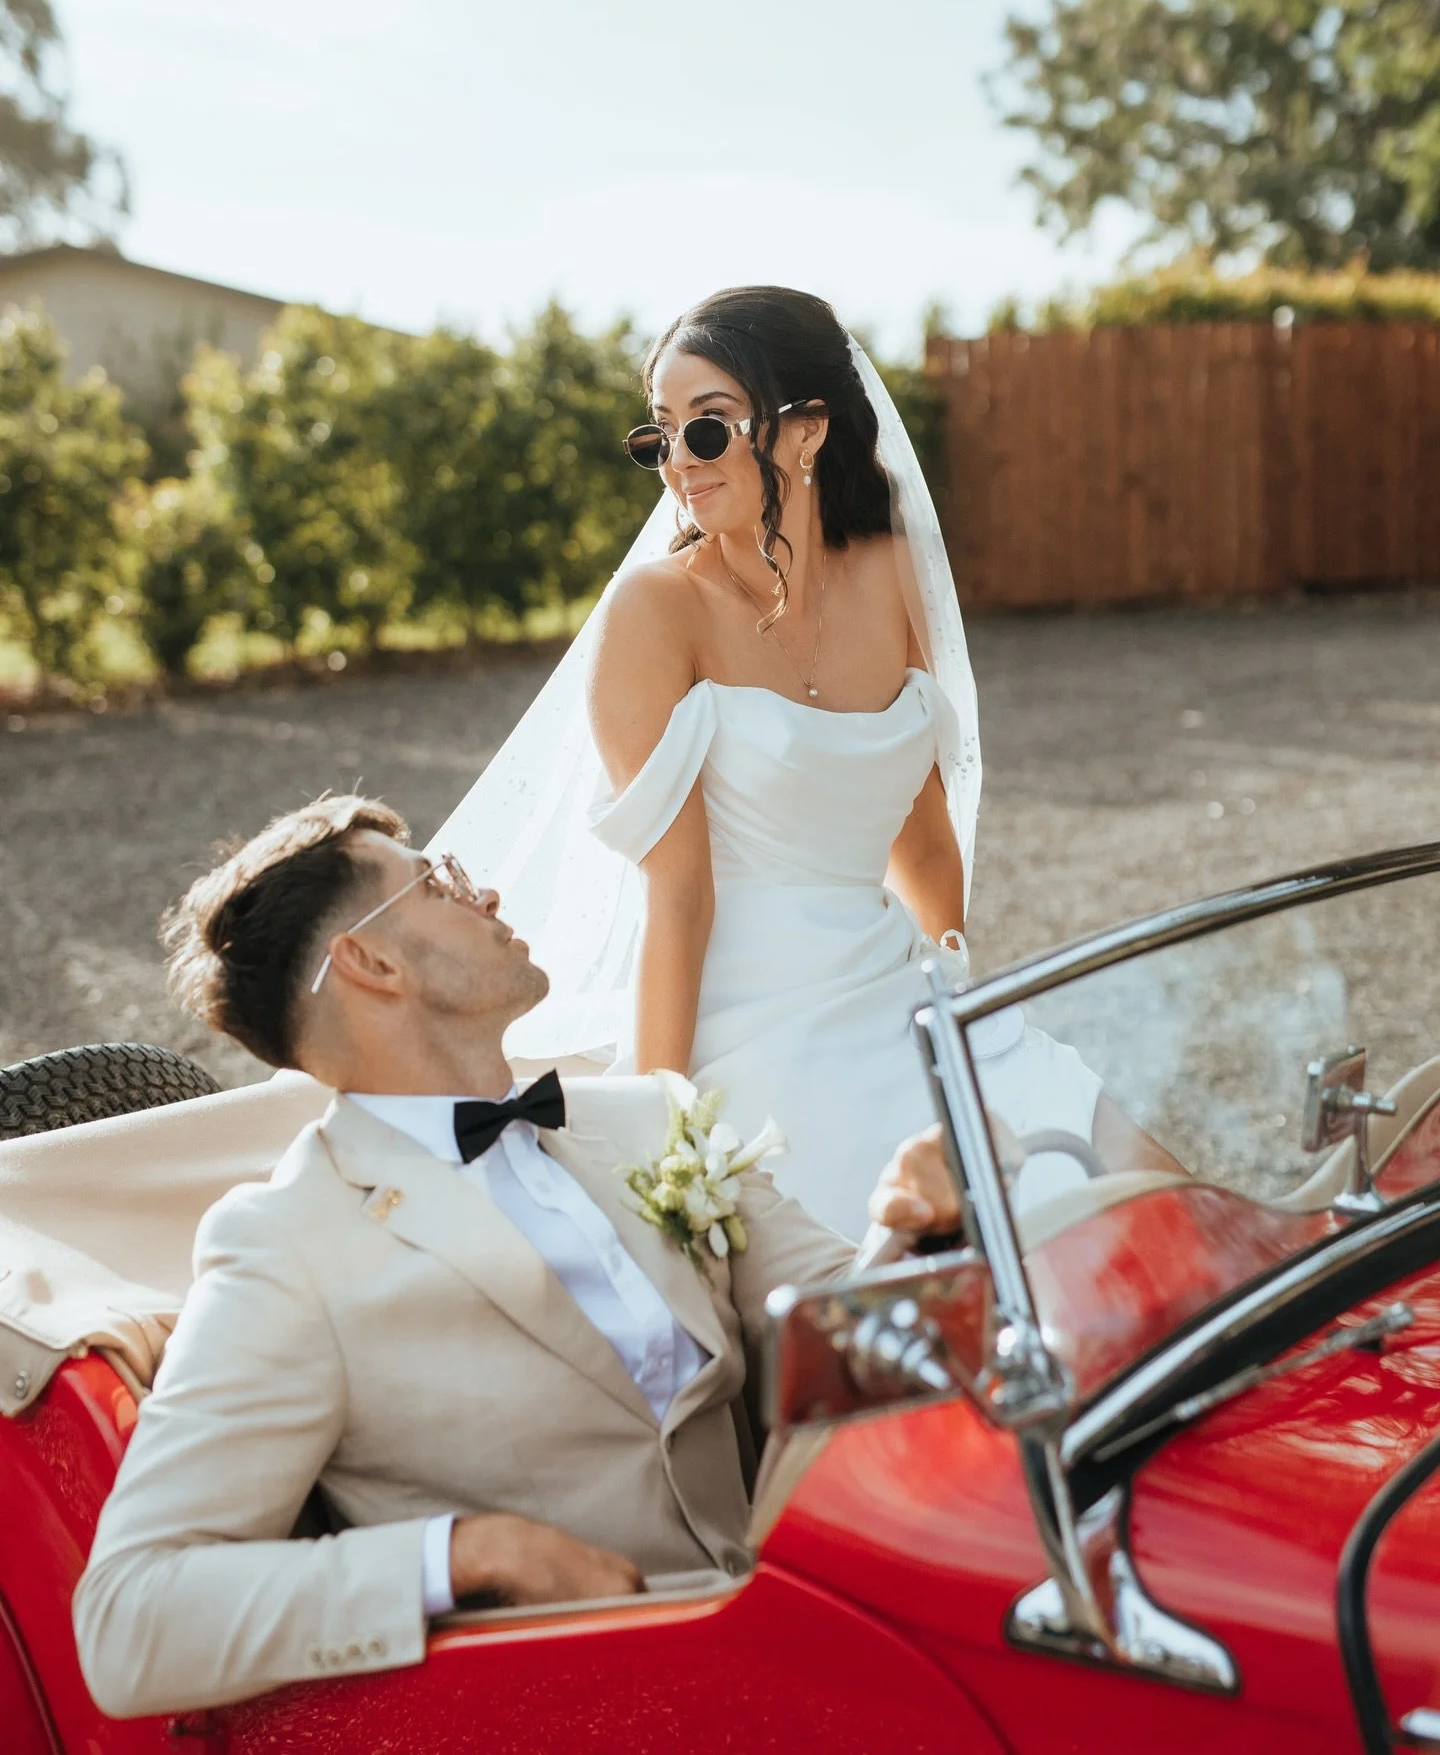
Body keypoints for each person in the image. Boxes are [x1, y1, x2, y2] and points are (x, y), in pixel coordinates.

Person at [71, 794, 950, 1720]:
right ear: (371, 962)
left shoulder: (649, 1115)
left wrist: (914, 1218)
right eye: (438, 885)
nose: (485, 891)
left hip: (832, 1634)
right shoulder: (287, 1246)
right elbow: (132, 1619)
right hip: (604, 1713)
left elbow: (847, 1326)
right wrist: (468, 1553)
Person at [430, 286, 1166, 1238]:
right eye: (660, 437)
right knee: (942, 1278)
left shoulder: (893, 572)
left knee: (1161, 1208)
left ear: (808, 431)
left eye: (708, 430)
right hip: (752, 1034)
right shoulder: (657, 614)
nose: (679, 467)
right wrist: (670, 1130)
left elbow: (924, 837)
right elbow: (679, 897)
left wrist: (959, 998)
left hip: (900, 994)